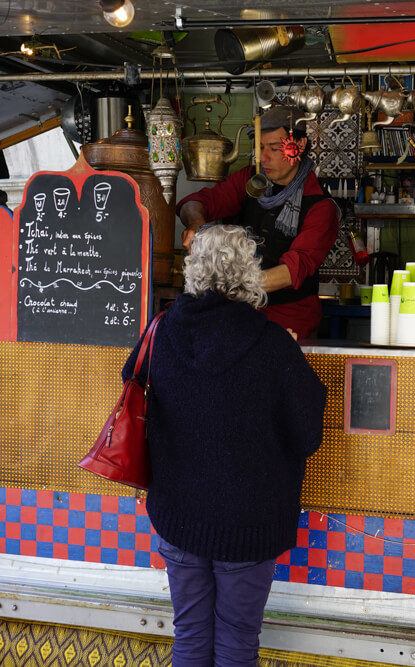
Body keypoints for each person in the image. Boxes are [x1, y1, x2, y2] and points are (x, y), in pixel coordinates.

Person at [122, 224, 327, 666]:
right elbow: (308, 434)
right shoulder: (274, 345)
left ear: (194, 270)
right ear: (249, 275)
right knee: (237, 641)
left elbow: (131, 383)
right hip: (249, 523)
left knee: (191, 635)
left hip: (179, 514)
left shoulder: (161, 330)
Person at [177, 106, 339, 339]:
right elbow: (196, 201)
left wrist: (231, 285)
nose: (263, 158)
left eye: (273, 148)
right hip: (240, 312)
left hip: (290, 319)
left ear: (299, 147)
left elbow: (292, 271)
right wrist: (196, 226)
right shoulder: (249, 180)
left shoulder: (320, 206)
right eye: (260, 148)